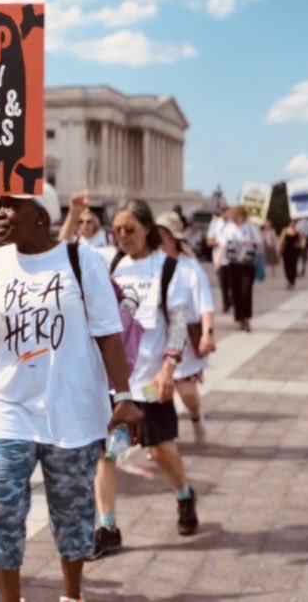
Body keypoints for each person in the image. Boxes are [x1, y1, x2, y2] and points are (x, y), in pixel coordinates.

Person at [0, 184, 142, 602]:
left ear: (41, 214)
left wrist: (125, 397)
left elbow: (109, 335)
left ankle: (72, 594)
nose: (0, 213)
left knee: (72, 513)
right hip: (11, 406)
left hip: (72, 409)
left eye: (10, 205)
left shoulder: (81, 260)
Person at [92, 199, 199, 560]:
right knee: (109, 453)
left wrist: (169, 368)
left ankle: (184, 494)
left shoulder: (169, 269)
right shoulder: (112, 265)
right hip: (117, 383)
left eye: (130, 229)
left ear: (147, 229)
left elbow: (179, 325)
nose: (123, 236)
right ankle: (108, 527)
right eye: (117, 230)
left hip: (151, 382)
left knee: (160, 451)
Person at [156, 211, 216, 443]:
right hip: (157, 335)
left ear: (173, 238)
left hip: (183, 335)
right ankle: (160, 441)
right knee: (156, 390)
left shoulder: (190, 267)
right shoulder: (150, 264)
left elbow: (205, 304)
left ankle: (196, 417)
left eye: (162, 235)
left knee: (187, 392)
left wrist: (208, 333)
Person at [220, 205, 260, 332]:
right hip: (233, 263)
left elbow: (260, 242)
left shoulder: (251, 227)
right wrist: (219, 260)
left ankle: (246, 317)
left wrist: (249, 241)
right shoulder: (228, 228)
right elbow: (223, 244)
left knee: (246, 290)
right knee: (235, 291)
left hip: (247, 264)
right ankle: (239, 317)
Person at [206, 208, 232, 313]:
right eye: (228, 213)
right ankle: (226, 303)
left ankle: (231, 299)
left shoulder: (232, 223)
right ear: (222, 213)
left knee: (232, 282)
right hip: (219, 257)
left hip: (232, 257)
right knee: (223, 282)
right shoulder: (215, 224)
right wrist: (220, 243)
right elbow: (209, 241)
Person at [278, 219, 302, 289]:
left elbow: (300, 241)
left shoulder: (297, 231)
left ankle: (292, 281)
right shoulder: (285, 230)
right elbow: (281, 240)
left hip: (295, 250)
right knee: (287, 265)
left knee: (293, 265)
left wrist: (300, 245)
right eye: (292, 222)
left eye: (294, 223)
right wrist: (279, 249)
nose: (293, 224)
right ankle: (289, 280)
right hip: (286, 250)